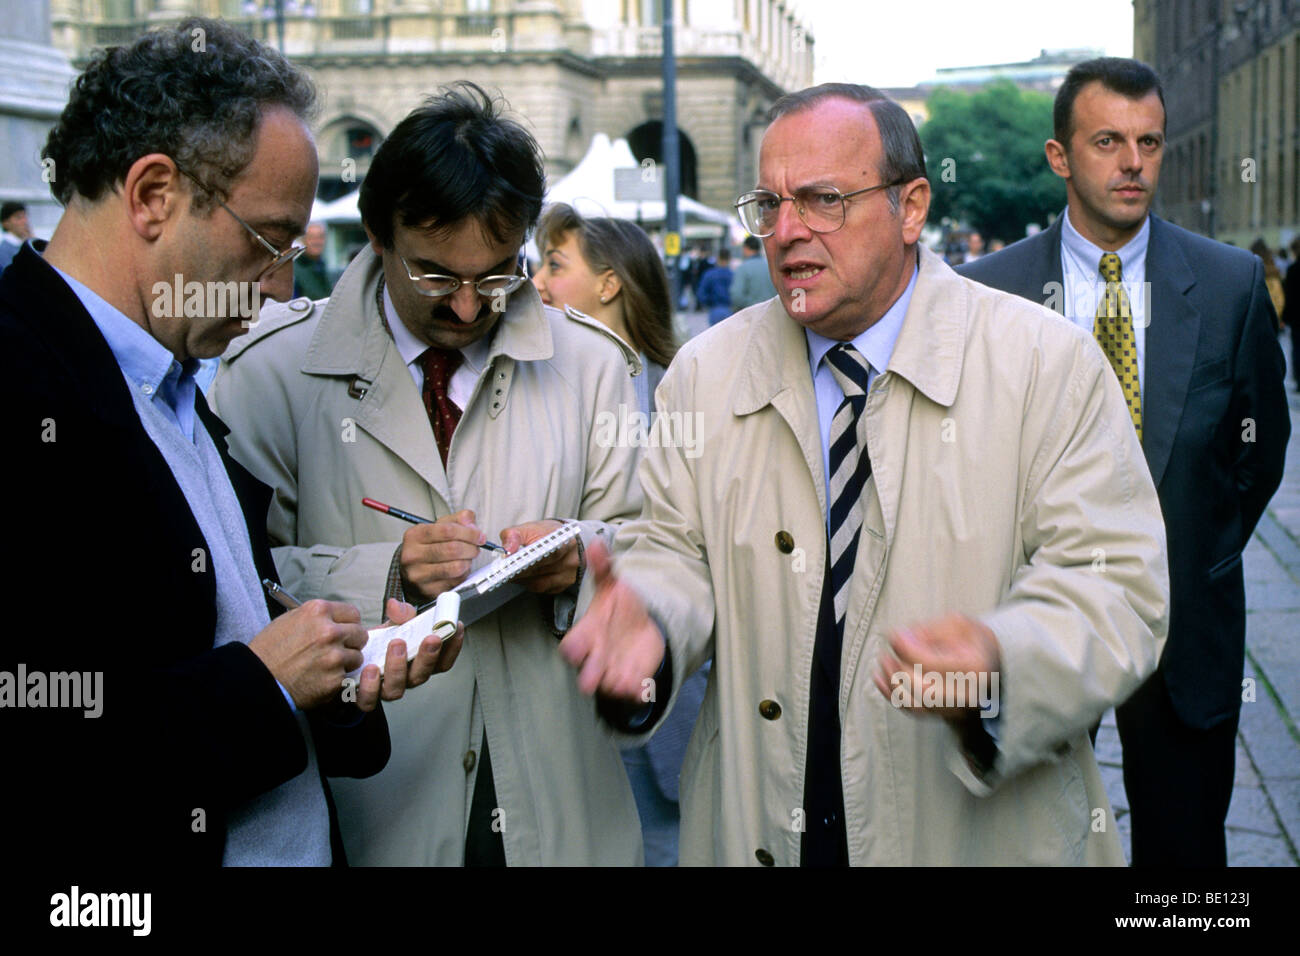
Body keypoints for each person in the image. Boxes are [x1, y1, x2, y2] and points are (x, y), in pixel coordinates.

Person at [561, 82, 1170, 866]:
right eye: (769, 205)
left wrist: (1000, 656)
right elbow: (672, 550)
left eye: (822, 200)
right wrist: (649, 615)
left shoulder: (1046, 365)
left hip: (975, 829)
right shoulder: (704, 375)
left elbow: (1118, 585)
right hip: (761, 823)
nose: (785, 233)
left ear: (911, 207)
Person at [0, 18, 452, 869]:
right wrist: (268, 683)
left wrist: (332, 680)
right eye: (269, 239)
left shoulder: (173, 381)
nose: (284, 285)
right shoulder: (23, 379)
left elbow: (212, 636)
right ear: (152, 195)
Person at [210, 82, 648, 866]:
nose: (473, 308)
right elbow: (233, 591)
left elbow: (655, 548)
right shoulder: (271, 371)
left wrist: (582, 556)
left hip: (558, 794)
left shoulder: (592, 365)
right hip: (373, 799)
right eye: (438, 278)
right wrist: (386, 570)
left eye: (500, 274)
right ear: (377, 236)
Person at [960, 57, 1290, 866]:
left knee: (1184, 862)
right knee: (1027, 844)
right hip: (1038, 620)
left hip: (1182, 629)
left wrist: (1195, 545)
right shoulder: (986, 294)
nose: (1133, 162)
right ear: (1060, 156)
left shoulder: (1229, 285)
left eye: (1150, 142)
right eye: (1108, 141)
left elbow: (1261, 451)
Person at [532, 202, 706, 866]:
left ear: (609, 283)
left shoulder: (686, 390)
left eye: (555, 264)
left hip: (663, 687)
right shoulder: (542, 390)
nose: (538, 283)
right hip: (575, 689)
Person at [730, 234, 778, 312]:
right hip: (772, 312)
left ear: (745, 248)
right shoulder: (771, 265)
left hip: (751, 314)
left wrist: (752, 303)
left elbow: (736, 296)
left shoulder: (743, 268)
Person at [1250, 238, 1285, 331]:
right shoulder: (1274, 270)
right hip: (1273, 317)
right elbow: (1279, 298)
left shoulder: (1254, 272)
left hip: (1260, 317)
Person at [293, 221, 333, 300]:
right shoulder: (294, 270)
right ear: (303, 240)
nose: (317, 242)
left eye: (320, 237)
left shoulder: (323, 267)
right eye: (311, 237)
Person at [697, 247, 734, 325]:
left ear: (718, 258)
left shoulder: (709, 274)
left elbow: (701, 294)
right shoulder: (733, 275)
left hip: (714, 309)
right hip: (729, 310)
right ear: (729, 259)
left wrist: (708, 302)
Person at [1284, 237, 1300, 390]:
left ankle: (1298, 378)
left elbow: (1289, 294)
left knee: (1297, 347)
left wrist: (1286, 315)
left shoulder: (1293, 269)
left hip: (1296, 315)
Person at [0, 200, 32, 271]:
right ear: (5, 223)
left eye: (25, 217)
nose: (25, 221)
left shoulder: (25, 244)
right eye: (19, 218)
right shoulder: (3, 250)